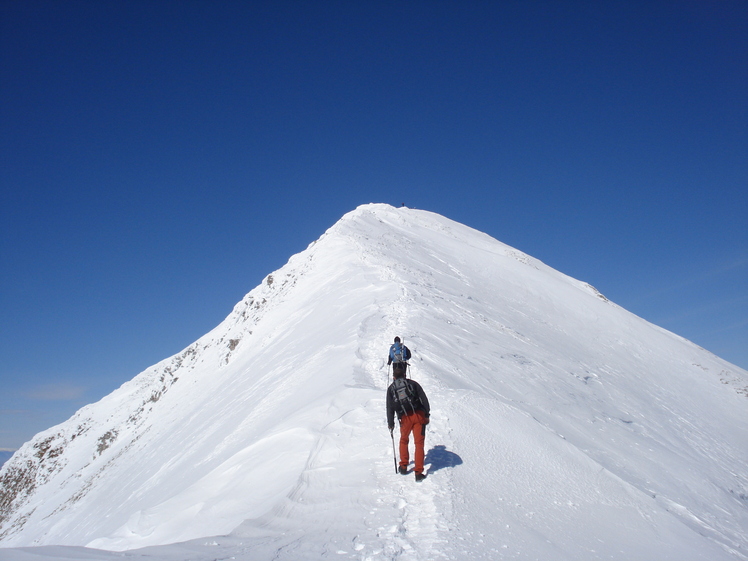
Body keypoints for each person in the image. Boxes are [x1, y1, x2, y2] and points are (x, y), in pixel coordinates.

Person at [386, 367, 430, 481]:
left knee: (404, 440)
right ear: (405, 375)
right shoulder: (413, 384)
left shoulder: (391, 389)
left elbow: (389, 408)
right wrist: (427, 414)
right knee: (419, 444)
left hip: (405, 418)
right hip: (419, 415)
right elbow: (424, 399)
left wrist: (391, 423)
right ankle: (418, 472)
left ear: (393, 377)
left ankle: (403, 465)